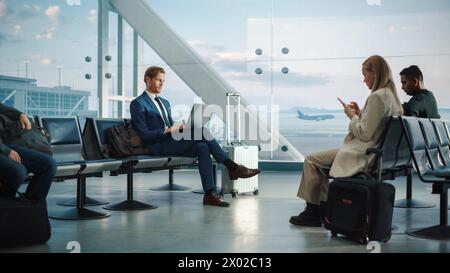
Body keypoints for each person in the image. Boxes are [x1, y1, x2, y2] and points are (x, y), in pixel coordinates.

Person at [289, 55, 403, 227]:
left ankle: (313, 212)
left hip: (363, 153)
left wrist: (351, 117)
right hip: (377, 153)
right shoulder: (391, 96)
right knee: (319, 162)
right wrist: (360, 114)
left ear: (375, 73)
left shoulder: (377, 97)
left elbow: (364, 134)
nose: (364, 80)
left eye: (365, 74)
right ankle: (324, 209)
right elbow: (374, 127)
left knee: (312, 160)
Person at [130, 66, 260, 207]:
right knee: (202, 132)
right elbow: (144, 135)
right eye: (158, 80)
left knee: (202, 147)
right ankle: (233, 167)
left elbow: (170, 126)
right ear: (147, 79)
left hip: (172, 141)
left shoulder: (164, 102)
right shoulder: (138, 103)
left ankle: (210, 194)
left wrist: (181, 128)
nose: (161, 84)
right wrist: (167, 130)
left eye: (163, 81)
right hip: (157, 146)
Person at [0, 103, 57, 201]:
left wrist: (20, 115)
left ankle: (31, 208)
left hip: (6, 144)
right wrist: (6, 151)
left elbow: (3, 108)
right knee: (18, 172)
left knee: (49, 164)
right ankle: (7, 206)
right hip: (4, 149)